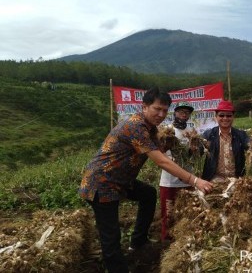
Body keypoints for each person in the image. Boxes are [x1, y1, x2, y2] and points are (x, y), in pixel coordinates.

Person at [79, 89, 213, 273]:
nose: (161, 115)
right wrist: (194, 180)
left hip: (122, 181)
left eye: (165, 111)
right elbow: (160, 160)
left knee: (148, 194)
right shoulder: (135, 126)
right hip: (102, 183)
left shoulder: (150, 129)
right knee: (111, 237)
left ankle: (138, 242)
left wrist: (183, 144)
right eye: (157, 109)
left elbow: (162, 148)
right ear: (144, 107)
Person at [159, 101, 195, 242]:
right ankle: (167, 241)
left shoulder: (190, 133)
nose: (184, 114)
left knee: (187, 211)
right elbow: (159, 152)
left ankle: (184, 239)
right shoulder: (167, 130)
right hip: (169, 181)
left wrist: (193, 149)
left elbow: (192, 155)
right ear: (175, 113)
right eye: (181, 112)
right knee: (168, 214)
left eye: (187, 112)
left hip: (187, 180)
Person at [202, 100, 249, 182]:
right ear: (216, 117)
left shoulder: (241, 135)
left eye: (229, 116)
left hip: (236, 180)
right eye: (221, 115)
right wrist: (193, 147)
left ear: (233, 117)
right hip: (214, 180)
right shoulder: (208, 135)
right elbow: (196, 152)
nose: (225, 118)